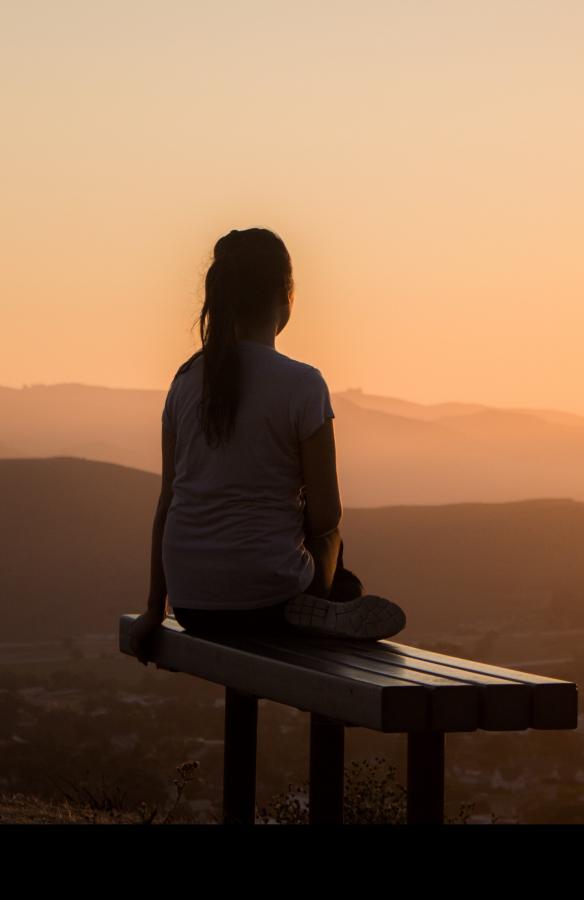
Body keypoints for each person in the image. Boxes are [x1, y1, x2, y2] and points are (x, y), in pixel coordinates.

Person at [129, 227, 405, 664]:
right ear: (286, 295)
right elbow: (326, 515)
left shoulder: (184, 382)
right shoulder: (302, 384)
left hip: (192, 604)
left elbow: (168, 502)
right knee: (334, 546)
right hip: (268, 600)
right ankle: (326, 605)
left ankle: (320, 604)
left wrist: (152, 608)